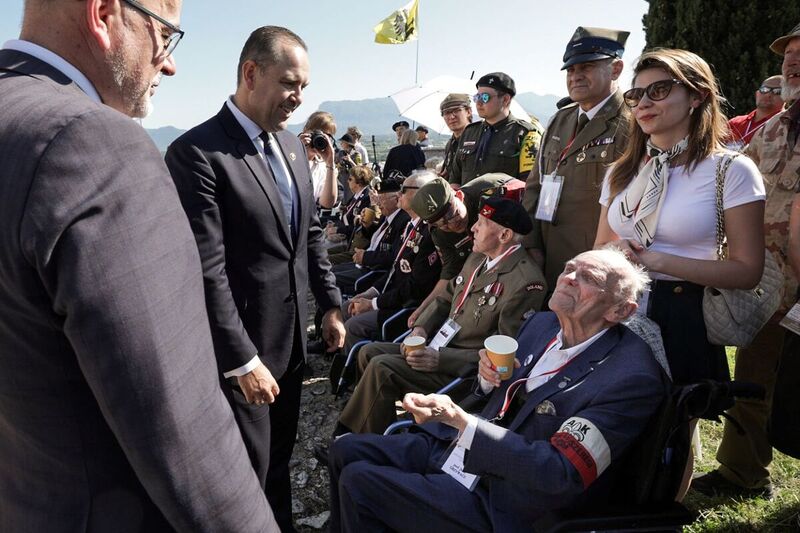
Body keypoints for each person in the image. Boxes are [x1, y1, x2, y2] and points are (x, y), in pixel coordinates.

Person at [0, 1, 277, 531]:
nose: (168, 63)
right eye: (165, 35)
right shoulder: (90, 143)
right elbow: (184, 430)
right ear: (104, 14)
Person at [328, 248, 667, 532]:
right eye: (569, 269)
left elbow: (560, 472)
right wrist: (486, 377)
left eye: (588, 279)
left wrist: (463, 422)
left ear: (620, 310)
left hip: (507, 500)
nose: (568, 278)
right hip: (464, 455)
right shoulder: (543, 324)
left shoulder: (629, 378)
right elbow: (500, 389)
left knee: (360, 484)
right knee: (344, 451)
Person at [164, 26, 345, 532]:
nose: (299, 97)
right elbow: (207, 269)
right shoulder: (198, 154)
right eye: (290, 82)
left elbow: (308, 235)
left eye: (304, 86)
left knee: (279, 464)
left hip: (290, 346)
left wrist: (329, 304)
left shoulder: (290, 147)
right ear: (250, 73)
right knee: (244, 471)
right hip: (242, 355)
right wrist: (240, 358)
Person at [594, 48, 766, 387]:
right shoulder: (621, 172)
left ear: (697, 96)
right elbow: (601, 243)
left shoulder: (731, 170)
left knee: (670, 430)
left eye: (658, 90)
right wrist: (614, 255)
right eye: (635, 94)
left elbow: (747, 271)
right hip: (620, 307)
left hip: (685, 313)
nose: (643, 103)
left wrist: (656, 259)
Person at [692, 24, 800, 499]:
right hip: (768, 285)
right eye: (787, 54)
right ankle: (742, 472)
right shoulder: (774, 127)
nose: (792, 61)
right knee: (753, 379)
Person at [335, 197, 547, 435]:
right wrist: (422, 327)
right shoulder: (478, 258)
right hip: (438, 346)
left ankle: (353, 437)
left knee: (381, 367)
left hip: (464, 373)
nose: (474, 228)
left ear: (505, 235)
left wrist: (441, 359)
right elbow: (446, 296)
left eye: (482, 223)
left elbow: (503, 357)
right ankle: (372, 424)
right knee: (368, 352)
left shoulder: (525, 281)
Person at [523, 26, 631, 292]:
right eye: (571, 70)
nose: (575, 77)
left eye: (587, 67)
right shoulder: (561, 119)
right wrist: (531, 244)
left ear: (615, 69)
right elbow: (535, 187)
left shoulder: (632, 124)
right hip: (548, 259)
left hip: (594, 269)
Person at [406, 173, 527, 328]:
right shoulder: (441, 232)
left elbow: (525, 232)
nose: (451, 224)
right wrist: (424, 308)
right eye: (441, 224)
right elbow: (450, 272)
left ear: (457, 194)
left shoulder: (491, 196)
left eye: (452, 214)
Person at [343, 171, 442, 352]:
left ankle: (349, 374)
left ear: (421, 193)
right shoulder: (410, 226)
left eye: (404, 190)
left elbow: (414, 288)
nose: (399, 194)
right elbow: (394, 270)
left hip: (403, 308)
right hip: (391, 296)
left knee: (353, 325)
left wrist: (373, 303)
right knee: (347, 306)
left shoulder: (428, 234)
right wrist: (369, 293)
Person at [450, 72, 540, 186]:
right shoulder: (469, 132)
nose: (478, 102)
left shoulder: (524, 134)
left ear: (505, 99)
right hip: (465, 202)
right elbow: (455, 178)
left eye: (485, 97)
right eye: (477, 97)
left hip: (503, 203)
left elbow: (529, 185)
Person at [331, 176, 411, 295]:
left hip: (375, 270)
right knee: (329, 272)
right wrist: (367, 226)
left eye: (382, 199)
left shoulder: (403, 220)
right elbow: (377, 238)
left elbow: (393, 256)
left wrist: (365, 257)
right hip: (365, 263)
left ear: (396, 199)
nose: (378, 203)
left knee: (329, 279)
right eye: (378, 198)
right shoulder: (388, 214)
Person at [325, 165, 374, 255]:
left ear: (358, 183)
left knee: (320, 249)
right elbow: (346, 216)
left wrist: (338, 230)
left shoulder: (366, 198)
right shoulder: (356, 196)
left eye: (350, 179)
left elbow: (359, 228)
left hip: (350, 240)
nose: (347, 181)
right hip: (344, 235)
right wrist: (334, 225)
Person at [727, 75, 784, 149]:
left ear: (787, 96)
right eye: (764, 89)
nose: (768, 94)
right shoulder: (735, 123)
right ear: (757, 94)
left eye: (777, 91)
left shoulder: (787, 126)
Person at [300, 110, 338, 208]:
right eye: (316, 133)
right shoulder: (288, 154)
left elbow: (327, 203)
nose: (319, 138)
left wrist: (330, 163)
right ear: (305, 131)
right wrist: (297, 149)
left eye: (326, 136)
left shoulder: (324, 167)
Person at [439, 93, 473, 185]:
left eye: (456, 111)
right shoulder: (450, 144)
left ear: (468, 112)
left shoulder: (479, 138)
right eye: (446, 113)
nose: (451, 117)